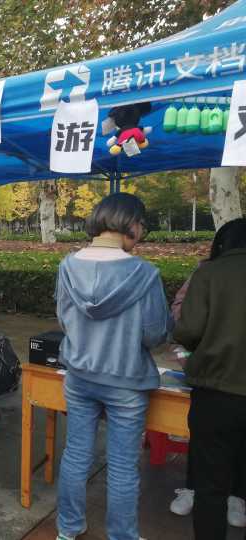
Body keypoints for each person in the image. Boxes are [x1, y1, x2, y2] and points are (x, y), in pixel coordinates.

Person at [55, 193, 172, 540]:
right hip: (126, 381)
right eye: (142, 225)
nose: (142, 232)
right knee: (121, 466)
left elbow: (64, 321)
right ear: (130, 224)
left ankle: (68, 529)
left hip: (78, 376)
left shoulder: (68, 266)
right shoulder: (144, 274)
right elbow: (154, 334)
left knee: (76, 455)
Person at [167, 222, 246, 527]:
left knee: (209, 482)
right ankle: (238, 499)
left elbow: (187, 329)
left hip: (215, 389)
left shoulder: (210, 273)